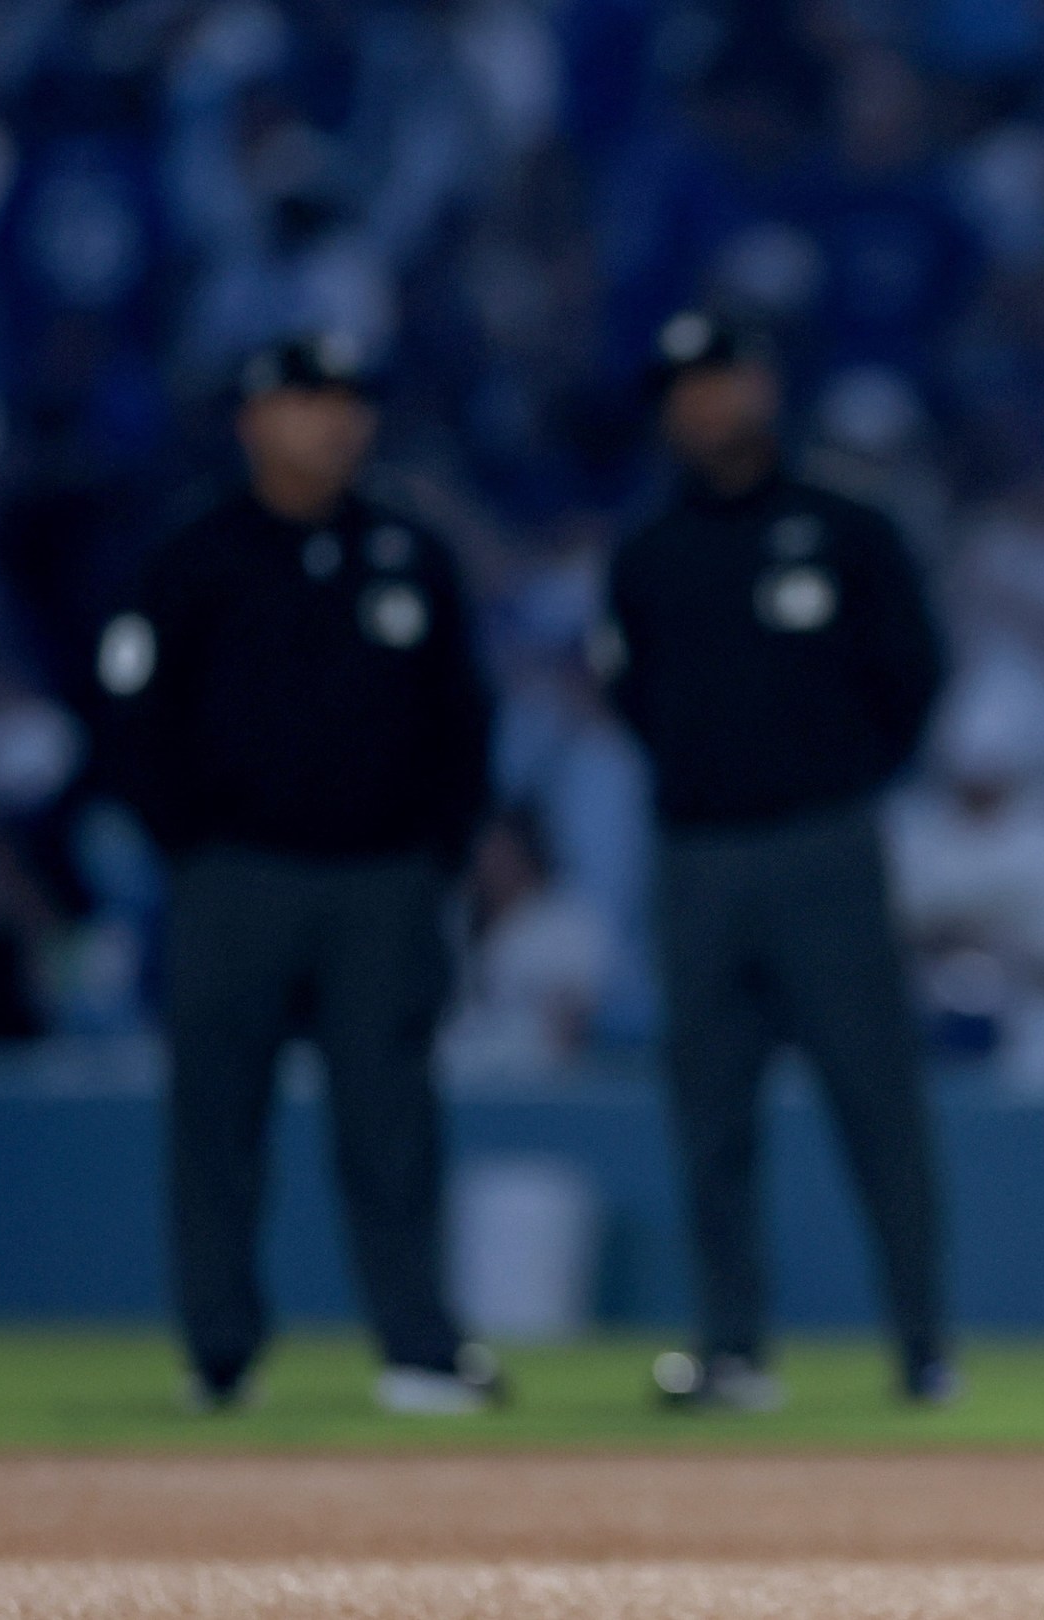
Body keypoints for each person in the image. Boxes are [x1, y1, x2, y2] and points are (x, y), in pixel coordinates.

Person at [96, 335, 501, 1416]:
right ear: (254, 419)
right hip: (239, 875)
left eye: (349, 402)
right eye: (306, 400)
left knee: (394, 1125)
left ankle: (417, 1348)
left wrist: (435, 850)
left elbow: (463, 720)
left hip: (382, 881)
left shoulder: (411, 553)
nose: (332, 422)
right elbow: (133, 717)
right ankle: (220, 1351)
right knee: (219, 1123)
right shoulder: (196, 558)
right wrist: (191, 840)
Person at [599, 311, 953, 1411]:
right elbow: (635, 700)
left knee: (876, 1103)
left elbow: (914, 680)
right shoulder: (650, 554)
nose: (707, 404)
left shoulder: (850, 530)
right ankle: (733, 1347)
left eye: (723, 380)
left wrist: (828, 777)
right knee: (709, 1115)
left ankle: (921, 1349)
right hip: (698, 856)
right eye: (685, 388)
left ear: (763, 385)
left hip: (822, 845)